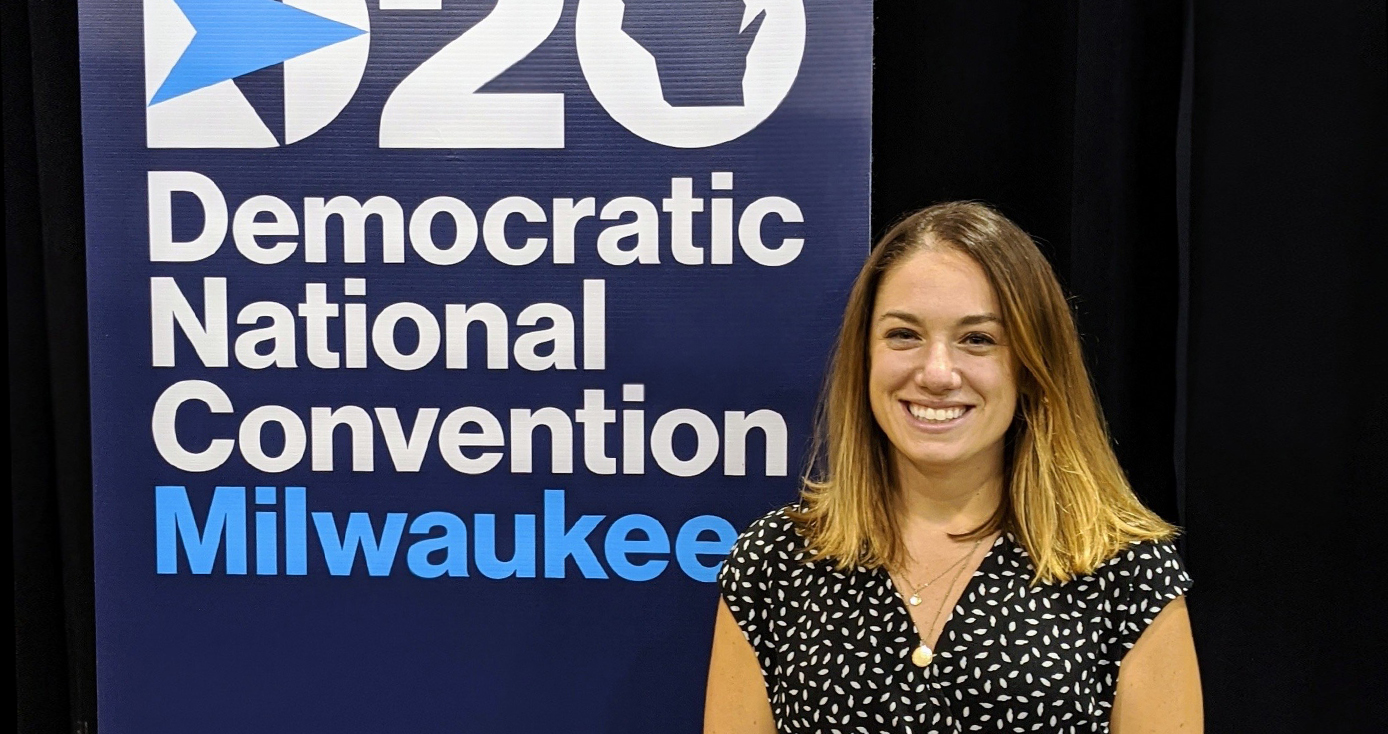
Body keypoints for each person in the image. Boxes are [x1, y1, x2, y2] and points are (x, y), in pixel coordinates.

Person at [703, 202, 1201, 733]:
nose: (937, 373)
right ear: (864, 356)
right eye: (904, 335)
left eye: (977, 340)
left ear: (1032, 366)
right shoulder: (774, 562)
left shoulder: (1125, 570)